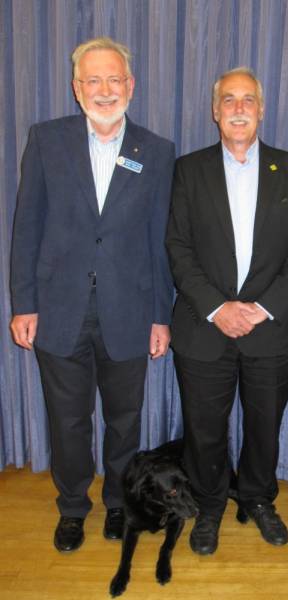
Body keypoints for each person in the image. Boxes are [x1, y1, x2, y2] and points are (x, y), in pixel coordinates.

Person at [10, 37, 175, 553]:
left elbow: (159, 240)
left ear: (131, 85)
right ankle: (73, 506)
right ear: (76, 88)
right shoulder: (46, 140)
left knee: (124, 421)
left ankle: (120, 504)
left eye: (114, 80)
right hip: (59, 312)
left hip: (129, 312)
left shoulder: (157, 150)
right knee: (68, 420)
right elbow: (26, 225)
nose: (105, 90)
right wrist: (24, 304)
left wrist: (160, 316)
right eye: (93, 80)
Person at [166, 67, 288, 555]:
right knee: (204, 430)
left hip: (271, 331)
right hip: (203, 329)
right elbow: (177, 247)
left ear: (261, 109)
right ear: (215, 111)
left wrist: (263, 309)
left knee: (264, 427)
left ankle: (257, 498)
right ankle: (208, 507)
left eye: (247, 99)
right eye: (228, 99)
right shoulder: (189, 170)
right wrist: (216, 308)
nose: (237, 107)